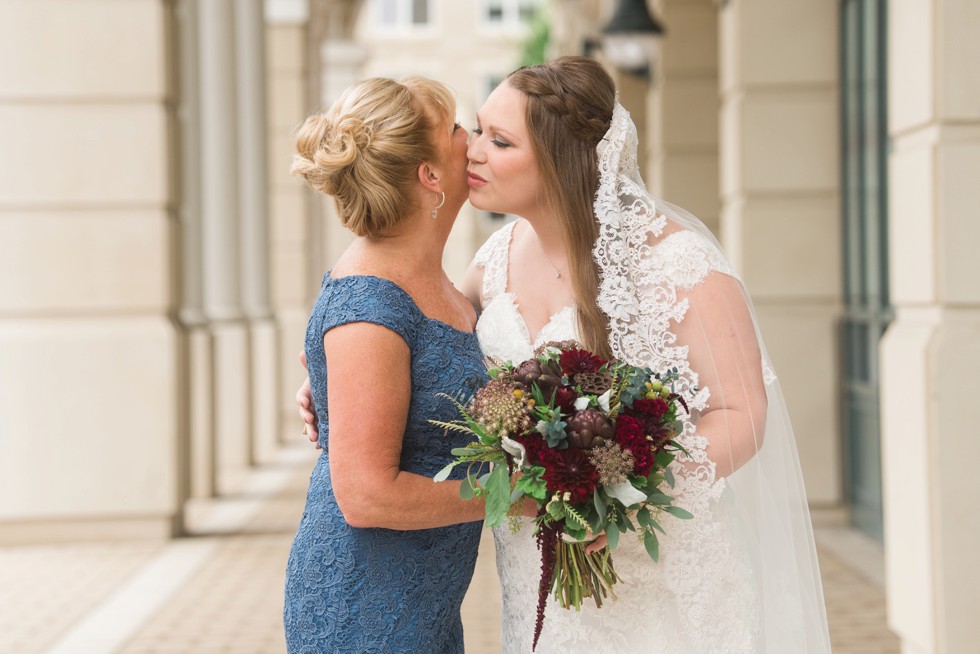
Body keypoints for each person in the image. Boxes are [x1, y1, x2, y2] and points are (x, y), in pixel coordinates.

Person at [300, 57, 832, 653]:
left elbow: (743, 412)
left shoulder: (678, 263)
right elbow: (421, 347)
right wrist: (332, 384)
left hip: (654, 564)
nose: (472, 151)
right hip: (540, 577)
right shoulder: (493, 261)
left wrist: (620, 483)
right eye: (473, 129)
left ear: (559, 159)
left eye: (498, 141)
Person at [282, 76, 490, 653]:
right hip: (365, 606)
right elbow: (366, 495)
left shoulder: (430, 276)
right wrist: (514, 491)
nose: (470, 138)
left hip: (424, 600)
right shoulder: (369, 304)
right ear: (429, 175)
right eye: (454, 128)